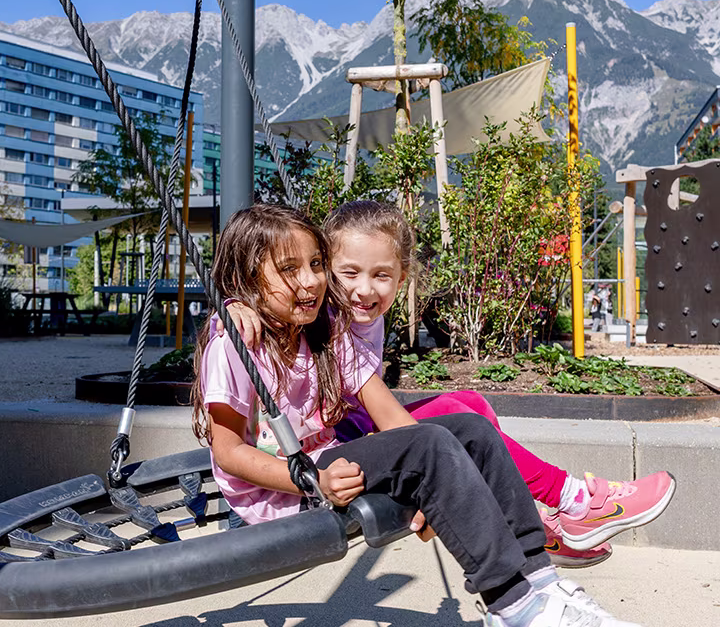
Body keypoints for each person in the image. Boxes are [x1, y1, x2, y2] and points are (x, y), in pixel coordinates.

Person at [195, 203, 658, 627]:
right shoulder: (233, 341)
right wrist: (313, 479)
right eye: (289, 270)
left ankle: (539, 584)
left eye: (315, 264)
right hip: (283, 487)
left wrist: (442, 494)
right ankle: (513, 610)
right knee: (431, 448)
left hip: (324, 460)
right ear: (249, 275)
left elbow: (394, 421)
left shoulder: (327, 332)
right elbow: (228, 454)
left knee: (467, 430)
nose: (311, 281)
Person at [221, 201, 675, 567]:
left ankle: (535, 514)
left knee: (470, 403)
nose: (365, 289)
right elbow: (264, 299)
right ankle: (569, 502)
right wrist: (234, 304)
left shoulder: (365, 316)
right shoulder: (323, 314)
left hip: (356, 428)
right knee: (455, 418)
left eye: (382, 276)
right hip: (340, 440)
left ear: (402, 277)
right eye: (349, 273)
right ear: (327, 270)